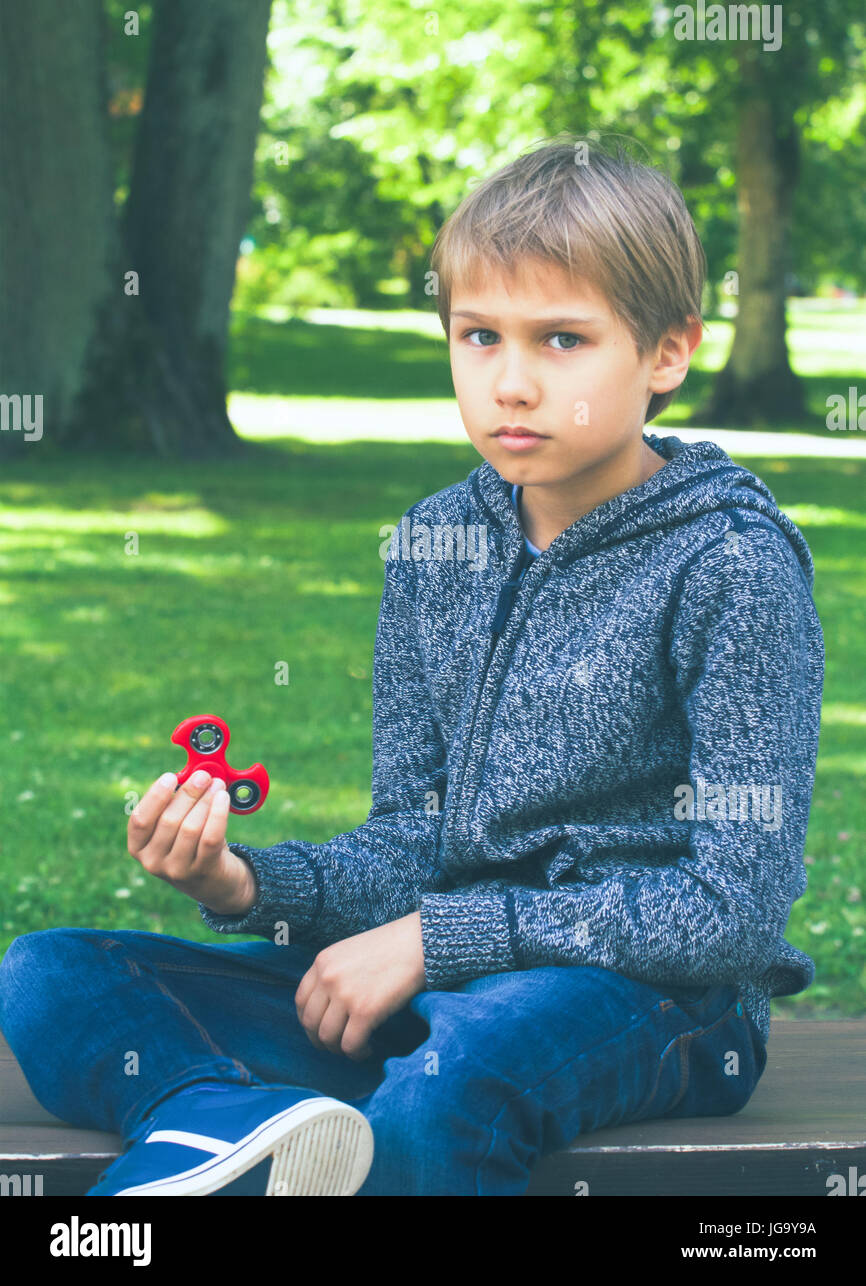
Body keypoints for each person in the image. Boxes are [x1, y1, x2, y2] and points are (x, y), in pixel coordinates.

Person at [0, 134, 824, 1197]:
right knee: (59, 976)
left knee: (447, 1085)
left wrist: (437, 939)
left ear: (665, 353)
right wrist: (242, 880)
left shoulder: (730, 566)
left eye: (561, 339)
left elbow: (732, 910)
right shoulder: (435, 544)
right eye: (477, 335)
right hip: (437, 979)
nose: (510, 382)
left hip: (652, 1002)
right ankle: (226, 1130)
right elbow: (412, 838)